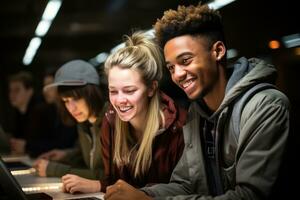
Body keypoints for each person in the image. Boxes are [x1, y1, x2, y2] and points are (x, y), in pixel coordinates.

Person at [104, 3, 290, 200]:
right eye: (171, 67)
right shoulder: (197, 113)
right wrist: (141, 194)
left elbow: (249, 196)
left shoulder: (266, 106)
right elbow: (185, 184)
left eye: (185, 61)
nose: (178, 75)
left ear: (218, 51)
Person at [61, 31, 187, 194]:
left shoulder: (180, 125)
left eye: (129, 90)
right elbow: (115, 182)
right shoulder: (110, 121)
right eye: (113, 91)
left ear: (151, 88)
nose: (119, 101)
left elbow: (186, 190)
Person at [33, 60, 107, 190]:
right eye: (66, 101)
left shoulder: (111, 120)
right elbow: (90, 159)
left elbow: (108, 176)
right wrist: (65, 156)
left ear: (92, 92)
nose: (71, 108)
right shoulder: (84, 123)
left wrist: (54, 169)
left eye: (76, 98)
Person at [24, 68, 78, 158]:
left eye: (50, 86)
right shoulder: (51, 110)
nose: (45, 90)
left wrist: (28, 146)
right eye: (44, 86)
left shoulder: (72, 111)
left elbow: (64, 144)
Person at [7, 71, 43, 155]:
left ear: (29, 91)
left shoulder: (41, 112)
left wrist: (26, 146)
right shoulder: (17, 113)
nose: (12, 94)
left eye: (17, 90)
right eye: (10, 90)